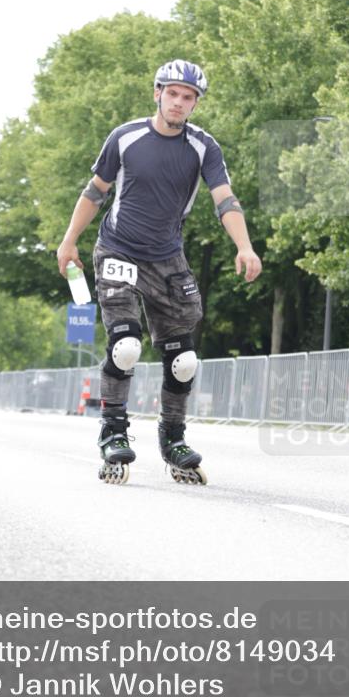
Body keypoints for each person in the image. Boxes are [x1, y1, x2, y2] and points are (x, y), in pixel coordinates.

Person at [56, 59, 262, 485]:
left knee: (183, 361)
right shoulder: (125, 137)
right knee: (126, 347)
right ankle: (113, 432)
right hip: (119, 249)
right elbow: (95, 191)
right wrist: (69, 240)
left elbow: (225, 199)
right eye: (172, 94)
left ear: (195, 104)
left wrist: (244, 246)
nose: (179, 103)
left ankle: (173, 439)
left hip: (168, 259)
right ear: (158, 94)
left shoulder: (204, 147)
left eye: (188, 97)